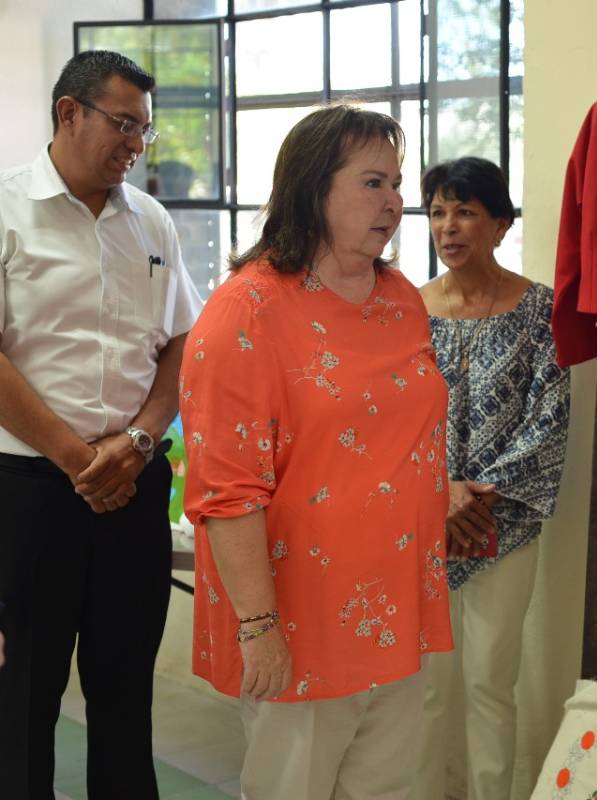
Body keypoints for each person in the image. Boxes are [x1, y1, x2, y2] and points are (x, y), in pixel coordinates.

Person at [178, 105, 452, 800]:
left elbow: (400, 436)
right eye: (371, 183)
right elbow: (227, 491)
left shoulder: (399, 299)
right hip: (297, 615)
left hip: (394, 603)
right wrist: (259, 628)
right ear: (312, 188)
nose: (394, 202)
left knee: (387, 788)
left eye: (396, 183)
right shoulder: (247, 312)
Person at [0, 50, 203, 799]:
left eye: (144, 131)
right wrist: (77, 459)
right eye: (123, 124)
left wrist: (141, 440)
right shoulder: (7, 209)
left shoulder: (149, 219)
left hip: (134, 488)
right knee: (23, 700)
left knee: (125, 699)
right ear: (68, 113)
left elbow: (182, 340)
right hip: (28, 494)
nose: (135, 144)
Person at [413, 157, 570, 800]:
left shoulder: (540, 310)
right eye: (438, 213)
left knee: (487, 682)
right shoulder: (404, 310)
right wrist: (440, 492)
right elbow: (389, 416)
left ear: (501, 225)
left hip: (503, 527)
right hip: (419, 523)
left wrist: (479, 495)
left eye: (466, 211)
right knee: (420, 688)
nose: (449, 227)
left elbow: (550, 418)